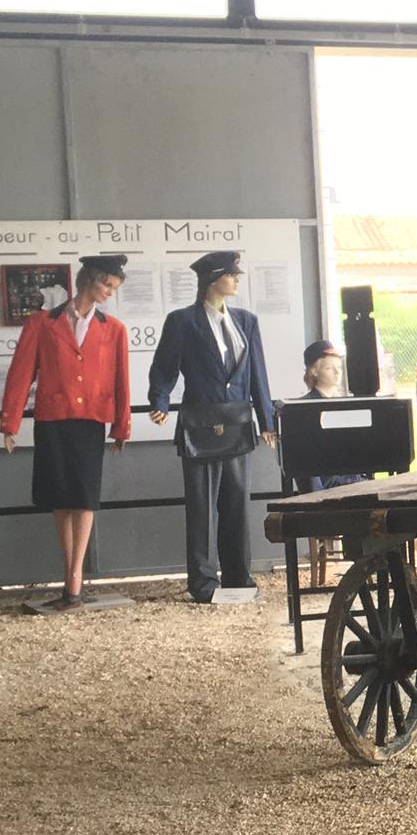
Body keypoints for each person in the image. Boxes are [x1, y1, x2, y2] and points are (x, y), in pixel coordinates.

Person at [0, 255, 131, 609]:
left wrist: (121, 426)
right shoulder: (42, 323)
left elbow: (121, 380)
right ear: (88, 279)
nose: (109, 293)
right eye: (106, 284)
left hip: (91, 421)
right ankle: (70, 577)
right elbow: (21, 373)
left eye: (114, 288)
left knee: (85, 497)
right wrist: (10, 423)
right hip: (53, 419)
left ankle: (74, 580)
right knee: (60, 497)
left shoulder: (114, 329)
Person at [147, 250, 275, 605]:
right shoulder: (182, 321)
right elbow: (164, 368)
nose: (236, 280)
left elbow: (257, 373)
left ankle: (238, 577)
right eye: (231, 275)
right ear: (213, 279)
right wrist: (159, 402)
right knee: (202, 506)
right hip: (200, 426)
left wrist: (267, 420)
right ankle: (203, 582)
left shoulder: (246, 321)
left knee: (237, 503)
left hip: (237, 423)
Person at [291, 339, 367, 589]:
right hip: (328, 484)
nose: (336, 372)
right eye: (328, 367)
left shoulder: (347, 404)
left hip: (352, 479)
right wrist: (315, 498)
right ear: (314, 371)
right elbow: (305, 460)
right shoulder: (303, 409)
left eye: (338, 367)